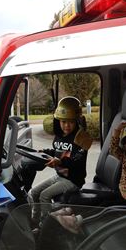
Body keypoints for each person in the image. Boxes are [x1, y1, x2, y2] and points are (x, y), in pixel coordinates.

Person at [29, 96, 92, 227]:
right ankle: (35, 220)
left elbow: (76, 160)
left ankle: (46, 225)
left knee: (44, 196)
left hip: (73, 180)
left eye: (70, 122)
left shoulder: (81, 139)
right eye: (63, 122)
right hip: (59, 176)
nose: (66, 125)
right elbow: (57, 151)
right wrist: (44, 152)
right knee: (34, 192)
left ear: (77, 121)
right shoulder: (59, 136)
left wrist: (60, 162)